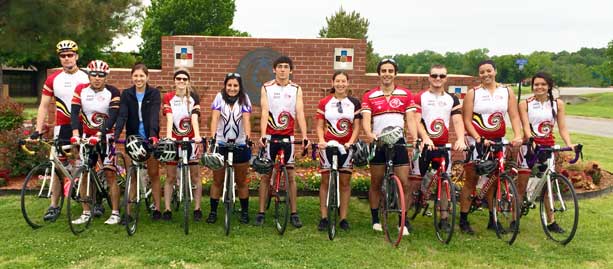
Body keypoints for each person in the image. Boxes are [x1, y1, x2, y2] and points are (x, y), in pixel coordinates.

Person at [459, 59, 523, 235]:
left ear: (495, 71)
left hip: (497, 140)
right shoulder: (473, 93)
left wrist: (518, 135)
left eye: (489, 71)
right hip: (477, 141)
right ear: (479, 75)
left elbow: (514, 116)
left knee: (495, 180)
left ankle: (492, 219)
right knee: (471, 180)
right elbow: (466, 119)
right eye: (482, 72)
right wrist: (478, 138)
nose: (486, 74)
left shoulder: (507, 91)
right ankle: (463, 219)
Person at [29, 40, 89, 222]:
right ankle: (54, 205)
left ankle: (91, 202)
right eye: (63, 56)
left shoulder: (86, 77)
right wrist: (38, 130)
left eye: (70, 55)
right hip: (62, 127)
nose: (67, 58)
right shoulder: (53, 79)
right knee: (57, 166)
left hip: (83, 126)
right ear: (59, 58)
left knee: (86, 166)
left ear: (76, 56)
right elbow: (43, 106)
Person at [361, 58, 418, 235]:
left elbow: (410, 119)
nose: (387, 74)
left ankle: (403, 220)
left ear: (395, 73)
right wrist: (369, 134)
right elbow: (366, 119)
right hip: (379, 142)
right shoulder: (369, 95)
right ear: (379, 73)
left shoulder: (405, 94)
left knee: (404, 182)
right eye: (384, 70)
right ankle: (375, 218)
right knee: (376, 182)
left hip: (398, 141)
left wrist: (415, 137)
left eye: (390, 71)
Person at [516, 71, 575, 233]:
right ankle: (515, 220)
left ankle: (551, 221)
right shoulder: (525, 104)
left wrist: (569, 144)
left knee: (547, 185)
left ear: (549, 86)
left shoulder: (558, 104)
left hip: (548, 148)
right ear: (532, 86)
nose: (539, 87)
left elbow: (562, 127)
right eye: (536, 84)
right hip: (529, 148)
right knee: (522, 185)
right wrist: (531, 140)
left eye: (543, 84)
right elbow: (526, 128)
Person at [255, 56, 310, 228]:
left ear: (291, 70)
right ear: (274, 69)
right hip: (271, 136)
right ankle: (261, 212)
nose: (283, 70)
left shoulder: (296, 88)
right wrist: (263, 134)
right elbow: (265, 112)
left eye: (286, 67)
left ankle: (294, 213)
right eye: (279, 66)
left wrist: (305, 135)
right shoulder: (266, 87)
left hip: (289, 137)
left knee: (291, 176)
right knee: (265, 176)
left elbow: (300, 112)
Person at [413, 64, 467, 229]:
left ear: (446, 78)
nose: (438, 79)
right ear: (429, 77)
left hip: (443, 146)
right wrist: (425, 138)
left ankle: (444, 218)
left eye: (441, 76)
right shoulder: (420, 97)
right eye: (434, 75)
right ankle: (405, 216)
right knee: (414, 181)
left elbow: (457, 120)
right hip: (424, 146)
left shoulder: (452, 99)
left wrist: (460, 139)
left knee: (445, 181)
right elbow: (417, 121)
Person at [69, 60, 121, 225]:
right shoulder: (81, 90)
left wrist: (100, 133)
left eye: (101, 75)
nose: (97, 78)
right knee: (85, 173)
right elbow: (75, 112)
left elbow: (112, 116)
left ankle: (115, 212)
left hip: (106, 137)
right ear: (89, 75)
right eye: (94, 75)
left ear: (106, 77)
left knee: (110, 173)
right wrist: (76, 134)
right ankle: (85, 211)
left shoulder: (112, 91)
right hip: (87, 137)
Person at [113, 63, 163, 220]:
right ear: (131, 77)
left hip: (150, 138)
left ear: (147, 77)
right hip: (132, 139)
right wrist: (115, 134)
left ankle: (157, 208)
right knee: (132, 176)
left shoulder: (154, 93)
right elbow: (122, 115)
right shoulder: (127, 94)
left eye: (142, 76)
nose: (139, 78)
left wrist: (154, 135)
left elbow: (154, 115)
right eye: (136, 76)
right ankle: (127, 212)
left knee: (153, 174)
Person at [316, 71, 361, 231]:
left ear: (348, 83)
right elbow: (320, 125)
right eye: (338, 81)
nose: (341, 84)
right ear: (333, 82)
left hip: (346, 147)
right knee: (325, 181)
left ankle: (343, 218)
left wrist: (351, 142)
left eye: (343, 81)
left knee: (345, 183)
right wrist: (321, 140)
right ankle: (323, 217)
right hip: (328, 145)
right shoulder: (325, 102)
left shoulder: (354, 102)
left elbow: (356, 127)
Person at [204, 72, 252, 224]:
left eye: (235, 85)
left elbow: (246, 120)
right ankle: (213, 212)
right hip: (221, 143)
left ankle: (244, 212)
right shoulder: (219, 97)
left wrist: (248, 138)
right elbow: (215, 117)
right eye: (229, 85)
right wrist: (213, 138)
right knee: (217, 180)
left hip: (240, 144)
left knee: (242, 181)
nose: (232, 88)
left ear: (240, 86)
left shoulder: (245, 99)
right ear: (225, 86)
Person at [161, 68, 203, 221]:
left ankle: (197, 208)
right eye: (178, 78)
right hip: (174, 140)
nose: (181, 81)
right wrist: (168, 137)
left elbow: (194, 118)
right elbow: (169, 117)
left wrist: (197, 136)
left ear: (188, 82)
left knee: (196, 175)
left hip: (190, 139)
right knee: (170, 176)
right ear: (174, 81)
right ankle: (167, 209)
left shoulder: (193, 97)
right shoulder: (168, 97)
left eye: (184, 79)